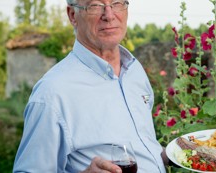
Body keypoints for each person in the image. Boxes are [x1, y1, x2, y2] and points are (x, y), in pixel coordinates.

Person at [12, 0, 168, 172]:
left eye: (116, 3)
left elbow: (142, 144)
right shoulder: (52, 93)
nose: (109, 15)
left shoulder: (134, 70)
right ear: (73, 15)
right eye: (95, 5)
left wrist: (173, 154)